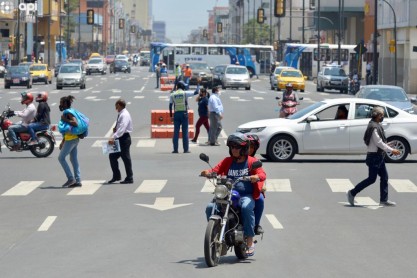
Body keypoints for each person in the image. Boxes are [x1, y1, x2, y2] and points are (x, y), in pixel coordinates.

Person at [200, 133, 267, 256]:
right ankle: (216, 233)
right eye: (232, 147)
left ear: (244, 148)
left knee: (246, 207)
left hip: (246, 195)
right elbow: (216, 170)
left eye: (237, 147)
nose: (234, 150)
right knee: (210, 207)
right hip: (228, 194)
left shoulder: (252, 161)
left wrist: (256, 176)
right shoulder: (227, 161)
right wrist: (208, 172)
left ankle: (250, 239)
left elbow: (262, 174)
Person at [347, 106, 401, 207]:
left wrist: (388, 145)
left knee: (384, 177)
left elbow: (379, 143)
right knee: (371, 179)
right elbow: (378, 142)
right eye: (381, 115)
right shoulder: (373, 127)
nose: (382, 117)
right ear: (376, 115)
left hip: (379, 156)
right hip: (374, 157)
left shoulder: (376, 125)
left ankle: (384, 200)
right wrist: (392, 150)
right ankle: (352, 193)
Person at [169, 80, 200, 153]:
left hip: (176, 114)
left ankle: (175, 149)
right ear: (182, 86)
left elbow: (170, 106)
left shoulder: (173, 94)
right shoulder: (185, 93)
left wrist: (171, 116)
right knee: (185, 132)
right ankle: (186, 149)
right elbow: (196, 92)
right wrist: (198, 84)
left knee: (176, 132)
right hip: (184, 114)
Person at [107, 99, 134, 184]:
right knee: (112, 156)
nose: (115, 108)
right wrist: (115, 129)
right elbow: (120, 127)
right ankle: (116, 176)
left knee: (126, 158)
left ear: (119, 105)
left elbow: (122, 129)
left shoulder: (124, 115)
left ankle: (129, 177)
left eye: (116, 106)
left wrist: (113, 137)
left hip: (124, 139)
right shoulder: (121, 114)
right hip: (120, 138)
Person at [58, 95, 82, 188]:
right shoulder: (72, 111)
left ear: (64, 103)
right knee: (73, 159)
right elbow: (67, 130)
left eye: (61, 103)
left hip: (71, 139)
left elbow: (75, 123)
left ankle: (71, 178)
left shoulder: (67, 112)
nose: (60, 105)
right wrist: (62, 141)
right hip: (73, 138)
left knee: (61, 158)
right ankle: (78, 180)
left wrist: (65, 119)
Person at [247, 134, 265, 235]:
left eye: (252, 147)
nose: (249, 149)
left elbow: (262, 174)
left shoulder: (255, 161)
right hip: (235, 188)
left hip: (251, 190)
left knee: (260, 199)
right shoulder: (234, 159)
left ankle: (256, 225)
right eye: (247, 146)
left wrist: (260, 185)